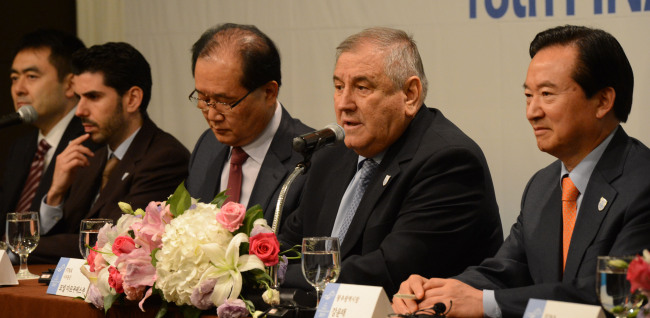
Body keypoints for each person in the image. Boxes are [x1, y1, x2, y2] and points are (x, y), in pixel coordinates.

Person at [393, 25, 650, 318]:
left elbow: (613, 296)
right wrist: (439, 291)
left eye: (547, 94)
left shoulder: (642, 185)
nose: (532, 111)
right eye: (529, 95)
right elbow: (504, 270)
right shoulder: (543, 186)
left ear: (603, 101)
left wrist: (485, 304)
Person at [279, 27, 503, 296]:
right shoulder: (331, 156)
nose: (344, 103)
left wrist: (275, 276)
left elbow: (387, 272)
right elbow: (288, 245)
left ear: (410, 95)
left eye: (362, 87)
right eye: (339, 87)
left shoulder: (449, 162)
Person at [30, 42, 190, 264]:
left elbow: (109, 243)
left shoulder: (164, 158)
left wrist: (17, 244)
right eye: (79, 98)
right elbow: (68, 232)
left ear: (132, 99)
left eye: (93, 97)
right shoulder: (91, 157)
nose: (80, 111)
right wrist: (56, 193)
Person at [185, 23, 312, 224]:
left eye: (225, 102)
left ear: (269, 92)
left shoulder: (310, 159)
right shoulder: (207, 145)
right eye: (203, 98)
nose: (212, 115)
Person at [0, 29, 98, 239]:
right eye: (14, 78)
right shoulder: (22, 147)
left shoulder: (91, 143)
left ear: (71, 84)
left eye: (31, 76)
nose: (18, 89)